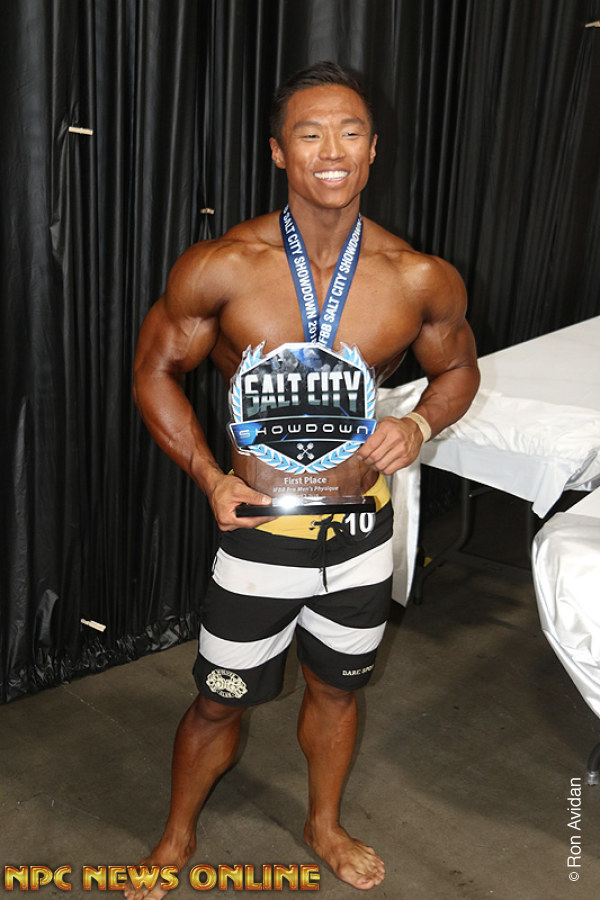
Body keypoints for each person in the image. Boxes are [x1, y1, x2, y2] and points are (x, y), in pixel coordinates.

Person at [128, 61, 479, 897]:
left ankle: (324, 825)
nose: (332, 150)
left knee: (337, 692)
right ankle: (175, 838)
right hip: (258, 534)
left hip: (359, 535)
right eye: (311, 133)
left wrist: (417, 425)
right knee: (219, 701)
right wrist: (209, 475)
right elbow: (153, 371)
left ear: (372, 150)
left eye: (350, 133)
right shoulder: (224, 265)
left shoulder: (416, 276)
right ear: (280, 151)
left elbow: (459, 369)